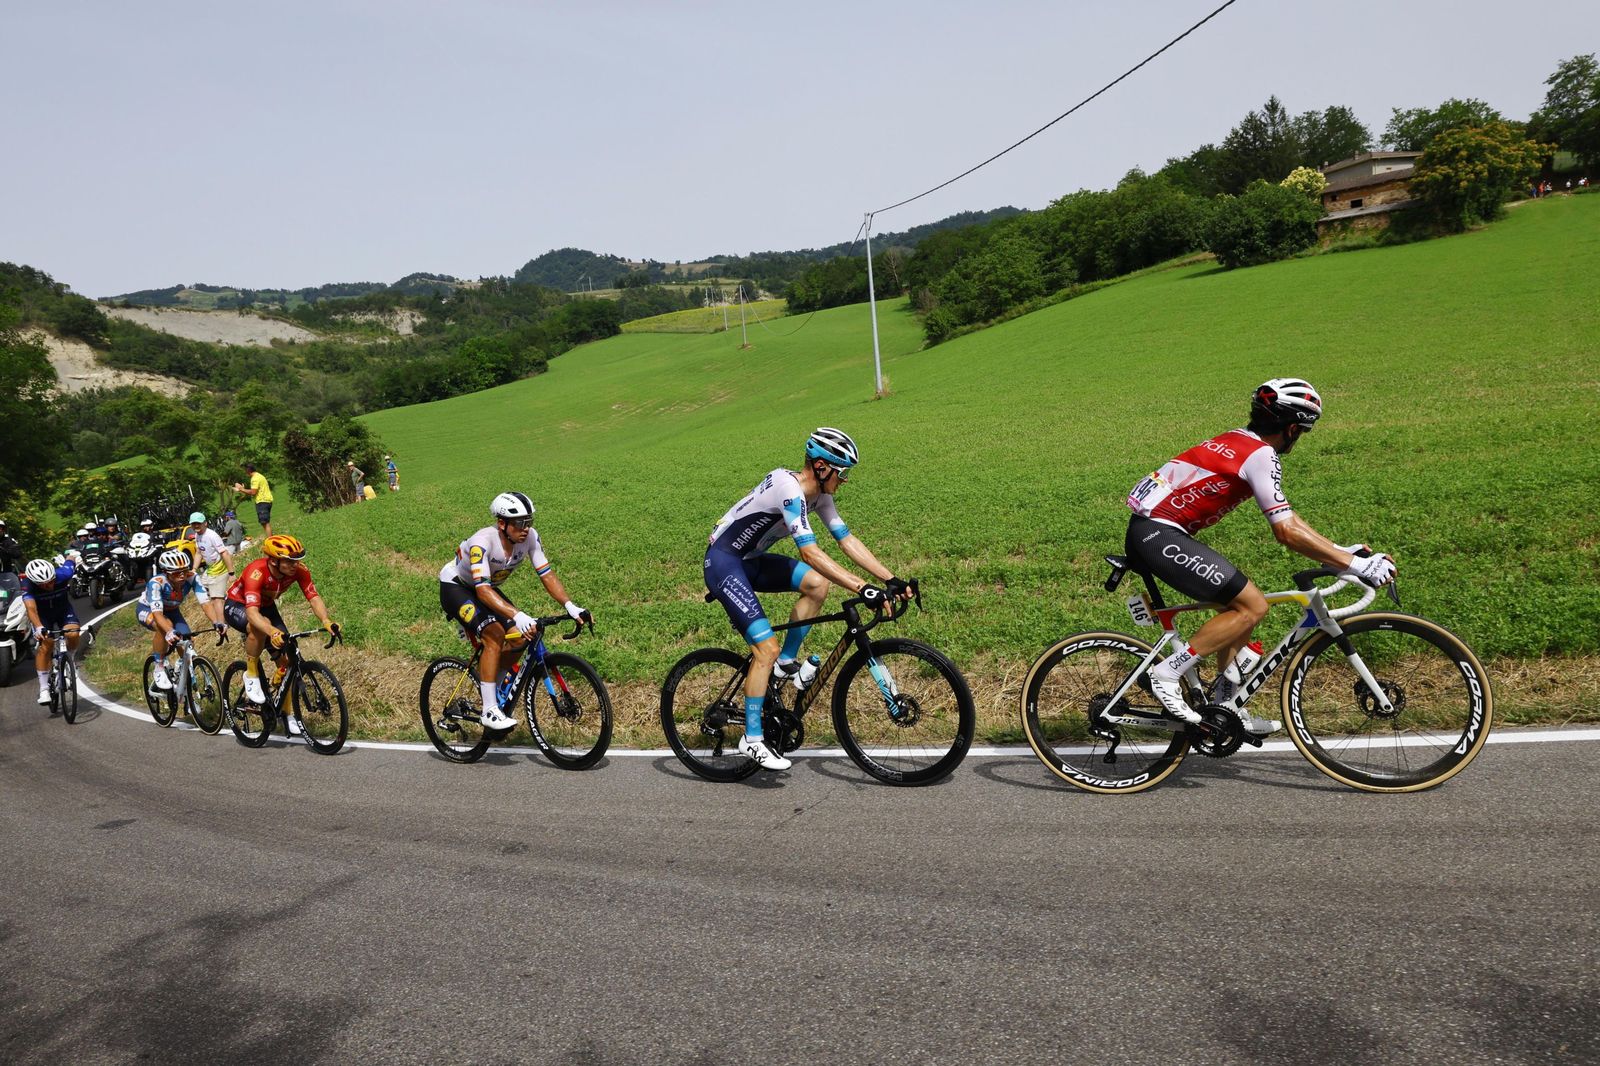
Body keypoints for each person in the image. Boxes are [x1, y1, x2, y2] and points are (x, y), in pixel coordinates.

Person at [1124, 378, 1396, 735]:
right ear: (1293, 428)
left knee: (1239, 612)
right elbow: (1284, 531)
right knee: (1252, 606)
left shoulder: (1238, 439)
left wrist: (1339, 553)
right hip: (1157, 534)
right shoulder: (1260, 455)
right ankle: (1165, 674)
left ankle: (1225, 707)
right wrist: (1357, 565)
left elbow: (1289, 517)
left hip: (1153, 531)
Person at [704, 428, 914, 771]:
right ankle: (752, 738)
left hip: (751, 563)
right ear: (820, 466)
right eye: (842, 472)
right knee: (764, 649)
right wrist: (863, 588)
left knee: (816, 586)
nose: (845, 480)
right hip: (724, 563)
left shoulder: (820, 497)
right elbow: (811, 553)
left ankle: (787, 662)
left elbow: (847, 541)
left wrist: (890, 579)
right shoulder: (789, 490)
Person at [438, 492, 592, 731]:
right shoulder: (482, 542)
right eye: (520, 523)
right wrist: (517, 615)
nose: (526, 529)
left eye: (529, 522)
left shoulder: (529, 538)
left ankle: (493, 686)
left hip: (486, 588)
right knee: (494, 635)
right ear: (502, 523)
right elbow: (483, 592)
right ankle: (489, 710)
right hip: (457, 587)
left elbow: (547, 574)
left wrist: (571, 607)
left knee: (522, 636)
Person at [223, 534, 339, 705]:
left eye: (297, 560)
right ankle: (251, 673)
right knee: (261, 628)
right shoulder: (256, 572)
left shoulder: (299, 570)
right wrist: (271, 631)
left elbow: (313, 597)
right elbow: (253, 614)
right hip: (238, 605)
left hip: (266, 606)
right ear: (273, 561)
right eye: (289, 561)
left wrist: (326, 620)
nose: (295, 565)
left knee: (288, 652)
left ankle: (287, 714)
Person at [137, 549, 226, 691]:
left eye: (184, 570)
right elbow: (158, 615)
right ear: (166, 572)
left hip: (172, 611)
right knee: (165, 626)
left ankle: (183, 682)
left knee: (187, 642)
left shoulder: (192, 577)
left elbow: (205, 603)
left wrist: (217, 622)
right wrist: (169, 631)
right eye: (177, 572)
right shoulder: (157, 583)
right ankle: (159, 667)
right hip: (148, 610)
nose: (182, 575)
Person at [20, 556, 81, 706]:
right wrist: (39, 627)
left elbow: (70, 559)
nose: (50, 585)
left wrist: (72, 556)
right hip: (42, 615)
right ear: (35, 582)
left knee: (73, 633)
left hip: (63, 610)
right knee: (46, 643)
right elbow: (31, 609)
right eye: (44, 585)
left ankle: (70, 661)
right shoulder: (27, 585)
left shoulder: (63, 573)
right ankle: (44, 689)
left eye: (52, 581)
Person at [182, 511, 235, 602]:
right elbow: (199, 552)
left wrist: (231, 573)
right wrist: (194, 569)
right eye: (193, 524)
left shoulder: (212, 536)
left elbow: (225, 553)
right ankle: (225, 599)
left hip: (219, 569)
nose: (196, 526)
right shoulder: (197, 535)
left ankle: (223, 601)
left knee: (216, 599)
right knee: (202, 586)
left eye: (198, 523)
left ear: (205, 523)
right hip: (210, 568)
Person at [234, 462, 274, 537]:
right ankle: (271, 539)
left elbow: (253, 492)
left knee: (265, 523)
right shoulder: (259, 475)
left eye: (245, 470)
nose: (244, 472)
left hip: (262, 501)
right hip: (267, 500)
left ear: (248, 470)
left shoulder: (255, 478)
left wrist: (241, 489)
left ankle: (271, 540)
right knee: (264, 522)